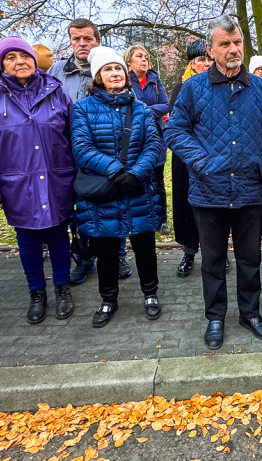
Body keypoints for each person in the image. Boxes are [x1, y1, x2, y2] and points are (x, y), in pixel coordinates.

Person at [166, 14, 262, 349]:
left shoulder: (261, 90)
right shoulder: (193, 88)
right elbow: (174, 130)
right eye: (225, 44)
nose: (233, 49)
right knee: (213, 262)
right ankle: (215, 317)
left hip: (250, 190)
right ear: (211, 48)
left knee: (249, 260)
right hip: (209, 192)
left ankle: (250, 313)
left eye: (237, 43)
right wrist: (203, 161)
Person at [0, 36, 77, 323]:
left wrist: (80, 180)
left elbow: (73, 138)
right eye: (10, 57)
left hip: (57, 178)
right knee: (27, 239)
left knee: (58, 235)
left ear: (34, 58)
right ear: (2, 63)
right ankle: (37, 292)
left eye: (24, 55)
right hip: (17, 182)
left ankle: (62, 289)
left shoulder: (57, 92)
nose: (20, 62)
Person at [72, 47, 164, 327]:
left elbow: (153, 145)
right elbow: (81, 148)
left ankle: (150, 294)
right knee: (107, 249)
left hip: (138, 188)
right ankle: (108, 299)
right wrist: (115, 171)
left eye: (118, 69)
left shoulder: (141, 109)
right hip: (105, 191)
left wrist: (135, 173)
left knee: (145, 245)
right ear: (98, 76)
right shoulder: (82, 108)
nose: (115, 74)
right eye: (108, 70)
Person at [47, 19, 125, 283]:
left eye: (87, 39)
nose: (81, 44)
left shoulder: (109, 66)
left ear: (97, 41)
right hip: (67, 154)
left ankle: (119, 256)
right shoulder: (57, 71)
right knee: (77, 210)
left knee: (113, 204)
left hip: (107, 154)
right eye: (76, 38)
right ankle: (83, 258)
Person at [169, 39, 212, 276]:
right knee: (186, 206)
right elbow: (177, 126)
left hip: (213, 157)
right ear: (192, 64)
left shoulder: (221, 86)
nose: (206, 64)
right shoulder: (181, 88)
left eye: (209, 60)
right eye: (201, 60)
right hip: (186, 159)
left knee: (211, 208)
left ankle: (215, 252)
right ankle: (188, 252)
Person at [125, 44, 171, 230]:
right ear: (129, 62)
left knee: (158, 178)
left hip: (156, 135)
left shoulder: (154, 79)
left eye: (146, 56)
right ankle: (140, 219)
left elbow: (166, 105)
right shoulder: (126, 81)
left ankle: (163, 220)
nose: (144, 60)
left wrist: (144, 111)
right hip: (134, 136)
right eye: (139, 56)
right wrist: (150, 111)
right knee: (140, 177)